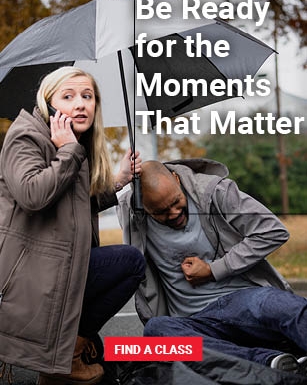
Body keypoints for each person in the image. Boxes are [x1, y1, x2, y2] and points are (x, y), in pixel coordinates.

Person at [0, 66, 146, 385]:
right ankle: (65, 359)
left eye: (87, 96)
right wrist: (68, 151)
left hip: (59, 266)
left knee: (103, 368)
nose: (80, 104)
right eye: (68, 96)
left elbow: (72, 205)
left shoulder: (73, 143)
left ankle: (68, 357)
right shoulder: (28, 136)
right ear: (48, 103)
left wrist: (118, 182)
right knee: (129, 262)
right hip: (31, 276)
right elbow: (33, 194)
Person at [117, 158, 307, 377]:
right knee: (156, 330)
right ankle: (269, 361)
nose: (174, 213)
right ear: (142, 205)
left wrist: (214, 269)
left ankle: (257, 358)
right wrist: (116, 181)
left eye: (176, 202)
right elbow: (87, 200)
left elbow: (272, 231)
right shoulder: (130, 212)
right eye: (161, 212)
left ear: (177, 180)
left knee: (280, 303)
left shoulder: (213, 191)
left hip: (245, 300)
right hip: (195, 323)